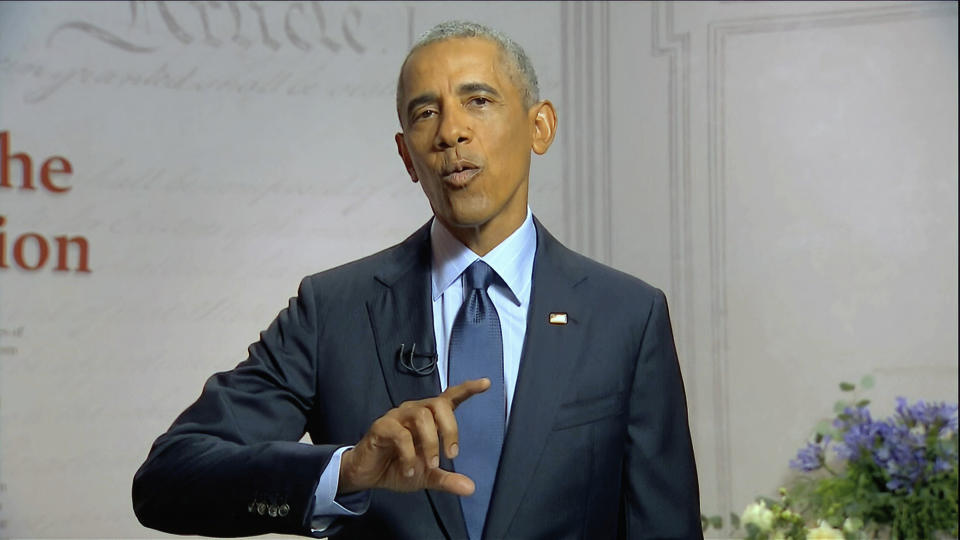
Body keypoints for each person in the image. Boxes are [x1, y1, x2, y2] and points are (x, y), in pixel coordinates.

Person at [132, 21, 701, 539]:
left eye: (478, 101)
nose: (451, 131)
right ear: (407, 156)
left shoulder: (627, 315)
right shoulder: (333, 309)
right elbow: (169, 476)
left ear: (539, 126)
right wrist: (345, 471)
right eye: (425, 113)